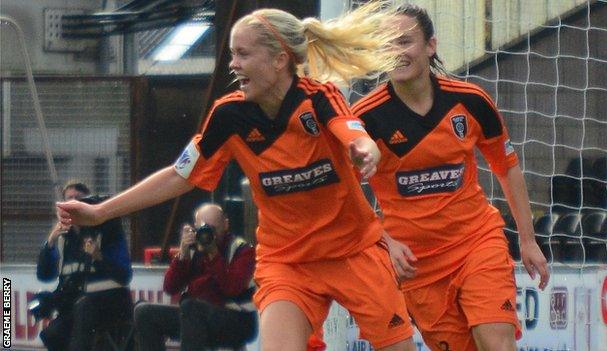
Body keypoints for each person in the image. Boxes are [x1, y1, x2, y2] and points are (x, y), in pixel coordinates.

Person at [56, 2, 417, 350]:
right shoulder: (228, 116)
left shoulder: (318, 98)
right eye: (232, 54)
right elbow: (178, 176)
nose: (233, 64)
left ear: (279, 60)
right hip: (287, 262)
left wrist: (364, 146)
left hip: (354, 252)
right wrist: (101, 212)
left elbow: (351, 130)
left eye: (242, 54)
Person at [352, 4, 550, 351]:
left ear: (430, 45)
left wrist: (528, 239)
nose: (396, 52)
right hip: (418, 265)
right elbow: (342, 196)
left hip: (477, 242)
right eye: (386, 44)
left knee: (495, 342)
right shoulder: (365, 118)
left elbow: (507, 166)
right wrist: (383, 239)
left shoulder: (471, 101)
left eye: (405, 41)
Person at [134, 203, 256, 350]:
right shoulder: (193, 250)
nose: (208, 235)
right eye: (203, 229)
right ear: (196, 228)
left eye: (213, 229)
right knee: (144, 312)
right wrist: (182, 255)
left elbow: (231, 288)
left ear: (225, 224)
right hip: (194, 317)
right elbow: (170, 288)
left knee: (191, 307)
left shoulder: (242, 250)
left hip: (236, 319)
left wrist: (213, 254)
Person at [68, 195, 133, 351]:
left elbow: (124, 276)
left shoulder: (113, 238)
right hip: (84, 300)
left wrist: (98, 257)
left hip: (113, 302)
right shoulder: (74, 239)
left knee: (84, 309)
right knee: (57, 329)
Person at [35, 182, 90, 351]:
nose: (73, 203)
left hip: (90, 305)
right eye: (69, 199)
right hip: (68, 306)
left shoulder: (98, 232)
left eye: (78, 198)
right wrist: (50, 242)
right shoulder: (63, 238)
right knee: (45, 318)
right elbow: (45, 275)